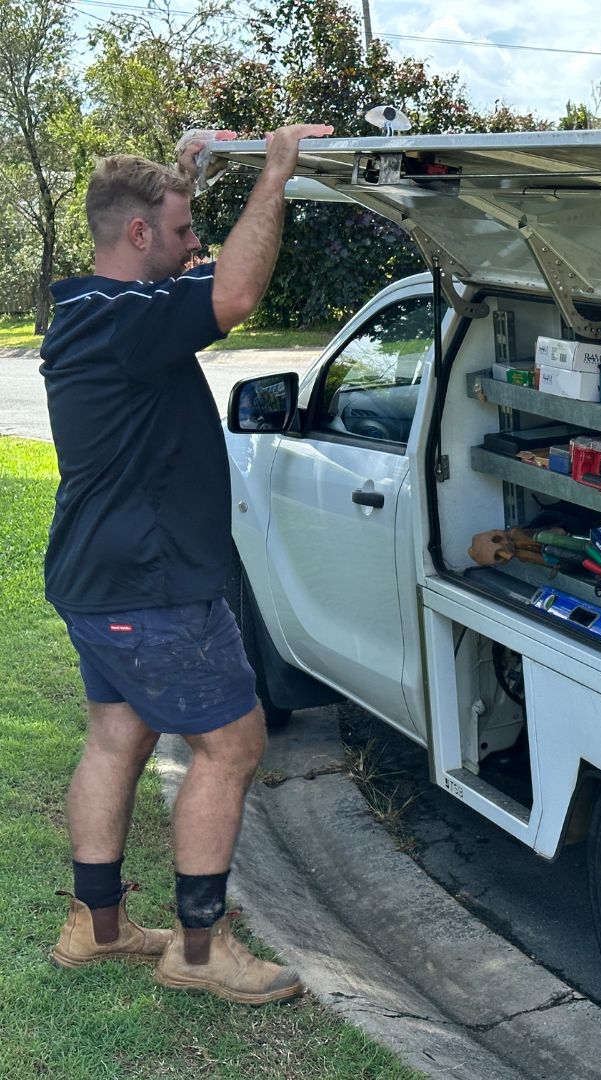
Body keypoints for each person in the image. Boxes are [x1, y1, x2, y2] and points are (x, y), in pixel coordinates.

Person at [40, 122, 333, 1004]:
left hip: (100, 576)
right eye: (176, 230)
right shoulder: (125, 327)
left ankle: (96, 927)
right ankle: (200, 952)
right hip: (153, 584)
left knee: (117, 735)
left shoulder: (93, 310)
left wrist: (188, 186)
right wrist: (274, 172)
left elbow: (195, 274)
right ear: (137, 235)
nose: (193, 244)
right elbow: (234, 292)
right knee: (233, 744)